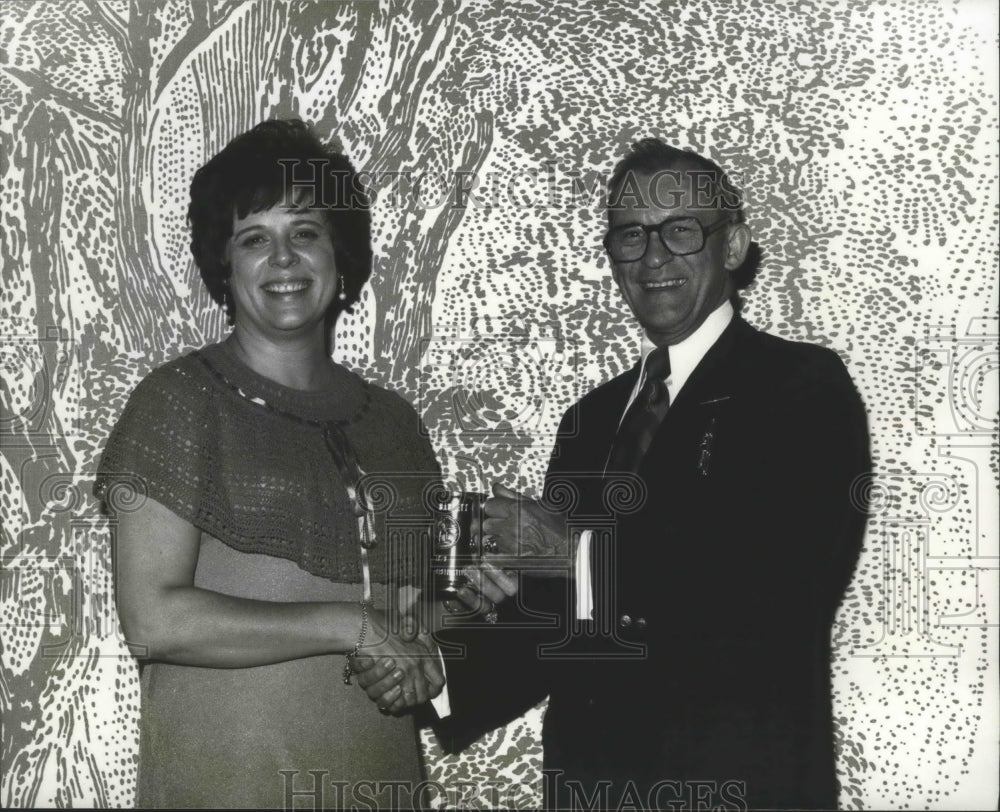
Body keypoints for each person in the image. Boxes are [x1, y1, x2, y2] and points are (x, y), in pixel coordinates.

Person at [355, 139, 871, 810]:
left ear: (734, 245)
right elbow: (557, 623)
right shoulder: (589, 421)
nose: (652, 257)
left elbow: (767, 589)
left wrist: (571, 549)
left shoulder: (800, 387)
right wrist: (436, 671)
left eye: (679, 231)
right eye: (631, 236)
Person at [94, 119, 445, 809]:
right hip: (229, 784)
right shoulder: (179, 401)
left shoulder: (396, 425)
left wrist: (433, 651)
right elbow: (154, 621)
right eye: (254, 239)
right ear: (224, 266)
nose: (283, 259)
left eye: (305, 232)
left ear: (340, 254)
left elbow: (409, 612)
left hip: (381, 783)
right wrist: (350, 627)